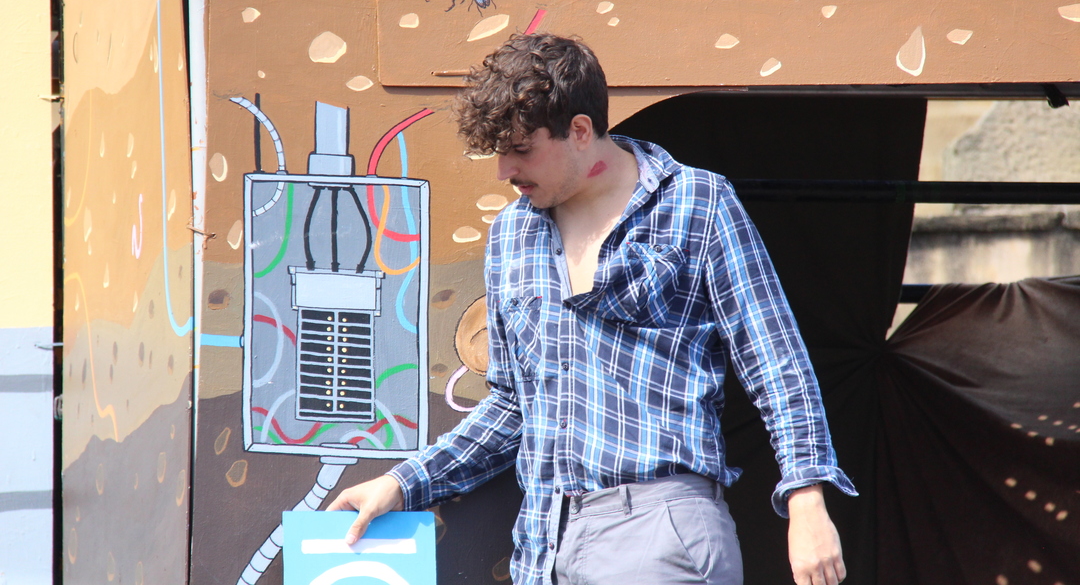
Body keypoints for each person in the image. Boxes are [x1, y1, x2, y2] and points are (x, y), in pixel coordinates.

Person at [328, 33, 857, 585]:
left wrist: (807, 500)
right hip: (542, 544)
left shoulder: (696, 203)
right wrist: (404, 483)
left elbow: (775, 361)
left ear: (580, 130)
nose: (504, 170)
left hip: (659, 528)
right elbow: (512, 406)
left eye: (521, 149)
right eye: (499, 152)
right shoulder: (512, 235)